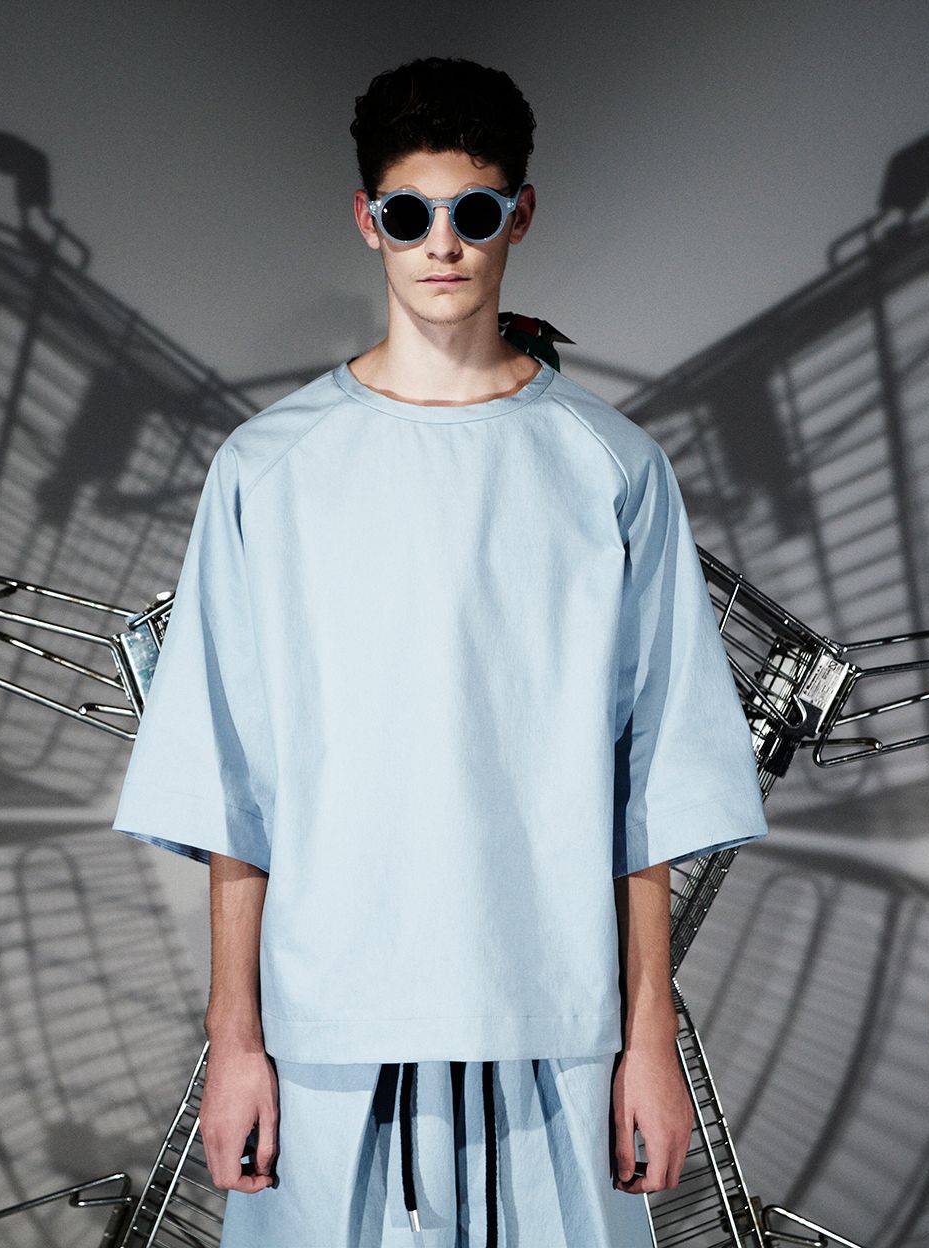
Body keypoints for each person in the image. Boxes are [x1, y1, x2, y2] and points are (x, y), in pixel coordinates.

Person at [111, 56, 768, 1246]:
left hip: (557, 1025)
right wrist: (234, 1042)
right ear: (369, 221)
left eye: (474, 210)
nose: (444, 244)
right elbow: (232, 784)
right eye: (411, 214)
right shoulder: (270, 468)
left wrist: (652, 1042)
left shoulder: (610, 466)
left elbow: (654, 779)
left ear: (521, 212)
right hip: (325, 1032)